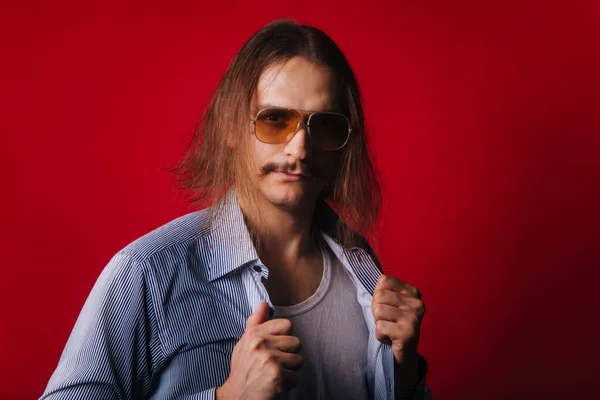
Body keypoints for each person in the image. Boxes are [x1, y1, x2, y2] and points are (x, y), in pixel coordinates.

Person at [41, 19, 431, 400]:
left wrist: (404, 374)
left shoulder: (362, 269)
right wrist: (227, 397)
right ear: (231, 127)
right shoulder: (148, 271)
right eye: (274, 120)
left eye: (324, 125)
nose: (299, 149)